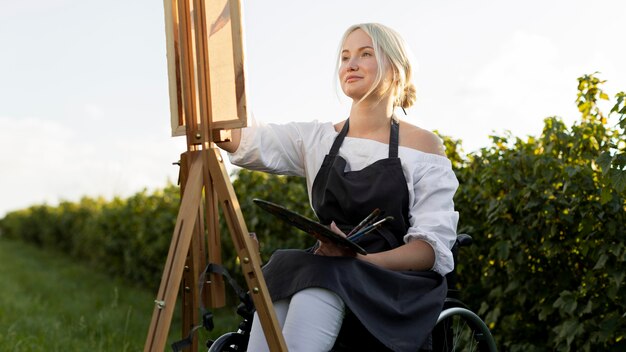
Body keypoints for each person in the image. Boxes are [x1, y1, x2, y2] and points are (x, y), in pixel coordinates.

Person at [218, 23, 459, 352]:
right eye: (345, 57)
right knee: (280, 276)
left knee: (317, 287)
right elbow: (244, 140)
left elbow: (428, 251)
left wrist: (359, 260)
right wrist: (215, 77)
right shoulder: (319, 139)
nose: (351, 64)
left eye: (365, 54)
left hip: (392, 279)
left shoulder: (424, 148)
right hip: (330, 266)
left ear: (397, 69)